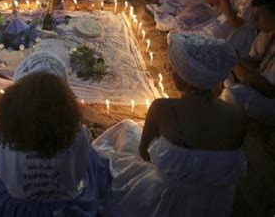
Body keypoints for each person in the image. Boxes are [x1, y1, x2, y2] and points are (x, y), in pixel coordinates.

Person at [93, 33, 246, 216]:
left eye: (175, 69)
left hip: (162, 197)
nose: (170, 71)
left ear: (184, 77)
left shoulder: (163, 108)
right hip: (212, 204)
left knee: (126, 127)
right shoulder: (238, 115)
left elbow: (144, 154)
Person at [0, 51, 110, 216]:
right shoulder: (78, 134)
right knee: (92, 158)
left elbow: (3, 171)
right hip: (64, 205)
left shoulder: (1, 134)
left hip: (19, 205)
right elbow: (78, 172)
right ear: (65, 99)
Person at [221, 0, 275, 124]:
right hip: (261, 80)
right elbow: (254, 59)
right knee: (221, 69)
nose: (254, 19)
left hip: (270, 95)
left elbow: (269, 89)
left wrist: (235, 61)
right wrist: (231, 60)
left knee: (232, 95)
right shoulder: (267, 33)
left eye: (259, 15)